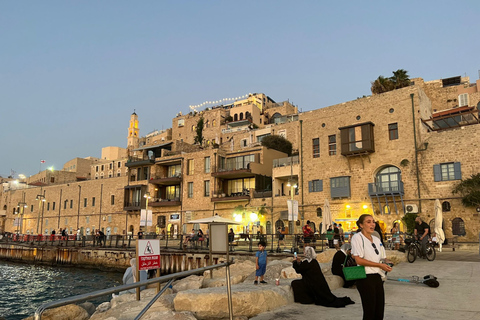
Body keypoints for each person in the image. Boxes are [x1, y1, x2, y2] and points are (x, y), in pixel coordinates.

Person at [351, 214, 393, 320]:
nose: (372, 224)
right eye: (368, 222)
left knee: (379, 310)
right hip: (365, 277)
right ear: (361, 225)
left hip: (377, 276)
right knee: (369, 311)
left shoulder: (376, 239)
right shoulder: (357, 238)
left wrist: (387, 262)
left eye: (373, 222)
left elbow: (382, 257)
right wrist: (379, 265)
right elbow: (358, 260)